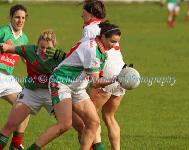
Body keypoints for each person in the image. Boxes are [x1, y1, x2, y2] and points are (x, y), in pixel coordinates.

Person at [26, 21, 121, 150]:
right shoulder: (92, 50)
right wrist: (117, 79)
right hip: (61, 82)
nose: (115, 45)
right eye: (112, 41)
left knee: (93, 123)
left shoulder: (100, 49)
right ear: (103, 37)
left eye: (117, 42)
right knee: (65, 124)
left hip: (77, 87)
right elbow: (95, 83)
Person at [72, 1, 126, 150]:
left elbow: (86, 53)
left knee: (89, 119)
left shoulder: (90, 28)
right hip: (121, 72)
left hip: (106, 73)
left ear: (90, 12)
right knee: (109, 116)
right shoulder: (106, 26)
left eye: (83, 11)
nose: (81, 14)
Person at [0, 30, 65, 150]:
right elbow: (9, 48)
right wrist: (3, 47)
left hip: (52, 94)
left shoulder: (59, 57)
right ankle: (15, 145)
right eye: (41, 47)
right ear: (37, 45)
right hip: (31, 93)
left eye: (48, 48)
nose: (44, 51)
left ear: (54, 47)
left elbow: (76, 65)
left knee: (77, 124)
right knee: (10, 125)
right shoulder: (29, 50)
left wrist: (63, 57)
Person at [0, 4, 29, 150]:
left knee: (26, 104)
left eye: (23, 18)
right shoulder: (3, 31)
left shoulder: (24, 38)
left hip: (7, 79)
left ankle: (16, 145)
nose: (20, 20)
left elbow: (27, 60)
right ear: (10, 17)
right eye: (17, 17)